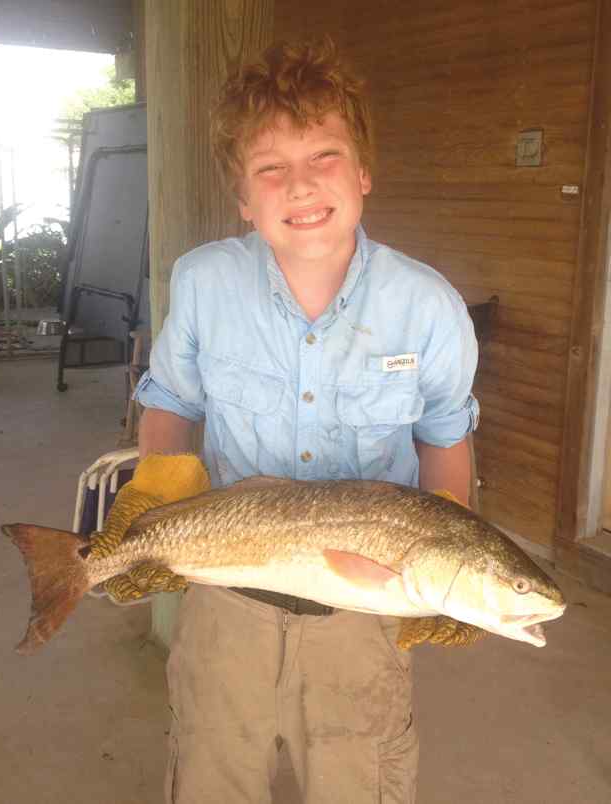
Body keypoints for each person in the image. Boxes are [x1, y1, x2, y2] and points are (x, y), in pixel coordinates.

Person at [133, 36, 479, 804]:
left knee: (362, 784)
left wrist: (451, 568)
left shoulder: (428, 307)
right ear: (242, 197)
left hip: (364, 606)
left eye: (325, 155)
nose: (301, 184)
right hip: (226, 595)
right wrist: (156, 500)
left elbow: (444, 436)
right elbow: (171, 401)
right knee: (211, 779)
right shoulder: (202, 283)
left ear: (362, 172)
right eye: (270, 168)